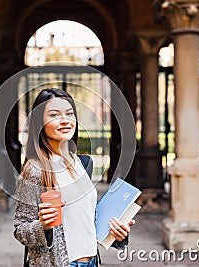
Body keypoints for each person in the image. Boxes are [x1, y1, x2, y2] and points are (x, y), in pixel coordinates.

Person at [13, 88, 134, 267]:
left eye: (70, 114)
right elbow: (20, 230)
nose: (65, 121)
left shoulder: (82, 164)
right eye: (54, 115)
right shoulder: (34, 170)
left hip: (92, 261)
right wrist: (43, 226)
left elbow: (85, 220)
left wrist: (117, 233)